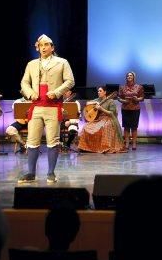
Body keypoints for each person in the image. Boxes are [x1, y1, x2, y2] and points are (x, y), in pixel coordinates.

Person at [18, 34, 75, 183]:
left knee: (53, 140)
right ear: (38, 47)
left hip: (53, 106)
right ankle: (31, 173)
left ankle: (51, 173)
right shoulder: (31, 64)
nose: (43, 47)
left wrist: (56, 92)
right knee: (32, 140)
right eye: (41, 45)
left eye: (46, 45)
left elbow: (70, 81)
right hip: (36, 106)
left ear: (52, 47)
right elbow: (24, 83)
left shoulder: (62, 62)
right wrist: (30, 94)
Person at [78, 86, 125, 153]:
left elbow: (112, 113)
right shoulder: (97, 100)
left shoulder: (110, 101)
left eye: (100, 91)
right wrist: (95, 103)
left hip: (109, 119)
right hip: (99, 119)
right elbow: (87, 103)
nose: (98, 92)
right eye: (98, 91)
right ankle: (87, 148)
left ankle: (104, 147)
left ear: (105, 92)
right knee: (86, 127)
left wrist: (101, 109)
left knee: (104, 127)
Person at [117, 71, 144, 151]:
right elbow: (119, 97)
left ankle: (134, 143)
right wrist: (123, 101)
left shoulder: (139, 87)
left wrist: (137, 99)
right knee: (126, 127)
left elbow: (142, 98)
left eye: (130, 75)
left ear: (133, 77)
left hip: (135, 108)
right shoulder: (122, 87)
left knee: (134, 127)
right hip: (125, 108)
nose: (129, 76)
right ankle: (127, 143)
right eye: (128, 75)